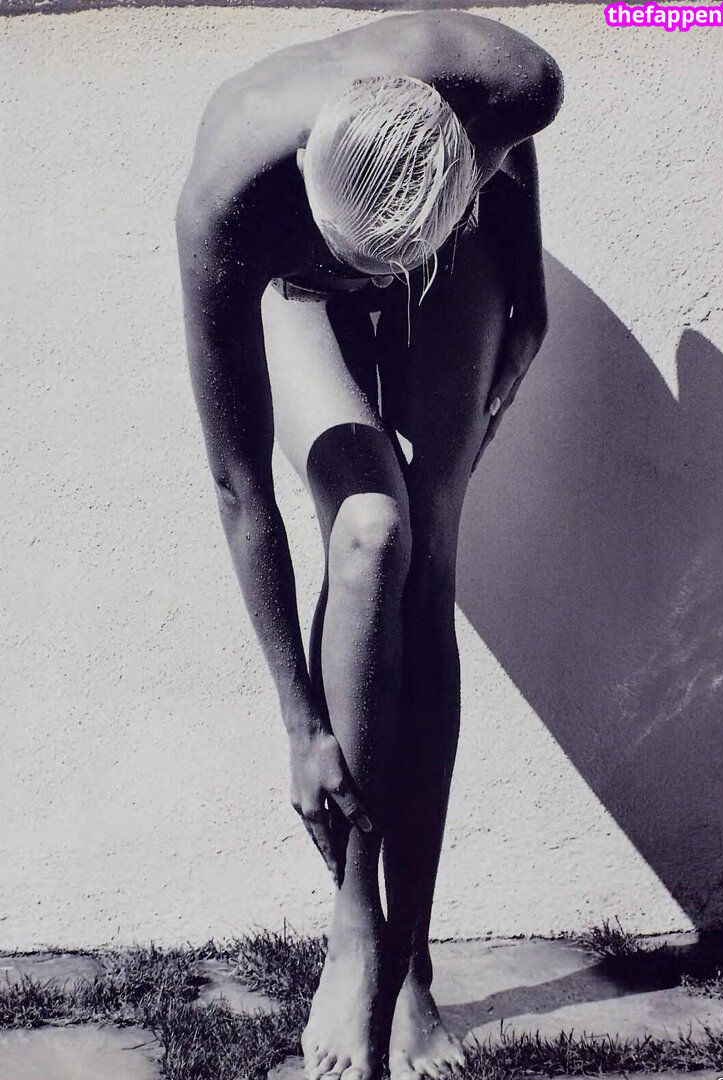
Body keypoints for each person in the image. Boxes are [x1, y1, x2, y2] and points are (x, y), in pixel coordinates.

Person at [176, 11, 562, 1080]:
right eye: (360, 265)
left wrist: (527, 295)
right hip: (294, 276)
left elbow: (511, 147)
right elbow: (238, 484)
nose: (373, 290)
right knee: (369, 531)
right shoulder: (231, 195)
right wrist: (298, 720)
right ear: (307, 161)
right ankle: (357, 932)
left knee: (428, 548)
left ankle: (411, 962)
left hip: (445, 242)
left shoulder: (514, 82)